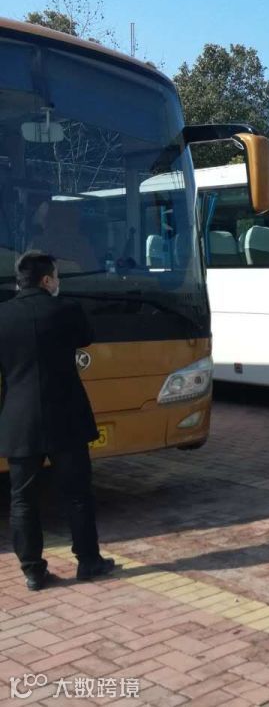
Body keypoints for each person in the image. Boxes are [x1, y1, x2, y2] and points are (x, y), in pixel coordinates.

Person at [0, 251, 116, 591]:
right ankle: (88, 561)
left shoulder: (2, 315)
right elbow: (85, 337)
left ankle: (33, 571)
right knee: (78, 494)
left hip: (20, 419)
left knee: (22, 499)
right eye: (56, 277)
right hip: (66, 416)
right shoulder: (67, 310)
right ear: (47, 280)